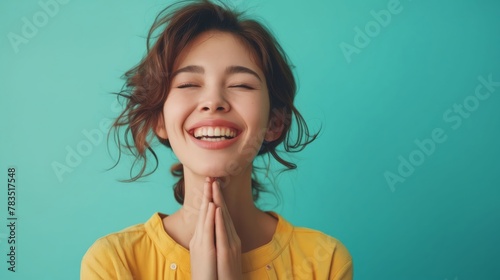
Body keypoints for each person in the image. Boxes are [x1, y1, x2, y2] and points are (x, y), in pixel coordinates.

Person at [81, 0, 353, 279]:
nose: (213, 102)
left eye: (240, 85)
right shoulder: (114, 263)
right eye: (188, 84)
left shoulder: (324, 262)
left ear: (275, 122)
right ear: (159, 120)